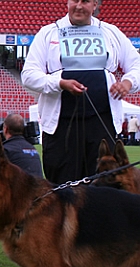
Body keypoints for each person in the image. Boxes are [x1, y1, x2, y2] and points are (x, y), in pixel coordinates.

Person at [21, 0, 140, 185]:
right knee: (62, 188)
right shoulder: (48, 33)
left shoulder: (111, 32)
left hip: (102, 123)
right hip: (60, 128)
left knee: (104, 187)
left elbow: (136, 65)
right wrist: (59, 83)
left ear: (95, 5)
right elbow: (28, 75)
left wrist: (127, 82)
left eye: (85, 1)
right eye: (74, 0)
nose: (78, 6)